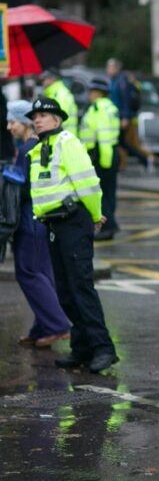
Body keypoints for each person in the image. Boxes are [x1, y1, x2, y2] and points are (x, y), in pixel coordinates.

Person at [26, 97, 118, 373]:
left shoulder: (68, 143)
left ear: (57, 119)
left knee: (81, 286)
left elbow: (88, 183)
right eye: (35, 116)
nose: (37, 120)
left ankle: (103, 348)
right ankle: (82, 349)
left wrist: (94, 215)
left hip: (73, 222)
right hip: (53, 225)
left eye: (43, 115)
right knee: (65, 291)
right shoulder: (40, 148)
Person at [6, 100, 71, 347]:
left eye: (13, 122)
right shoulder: (36, 146)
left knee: (29, 272)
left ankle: (57, 325)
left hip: (30, 222)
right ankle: (42, 327)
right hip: (41, 222)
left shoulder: (27, 150)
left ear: (24, 123)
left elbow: (24, 189)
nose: (9, 127)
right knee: (42, 273)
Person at [80, 78, 121, 241]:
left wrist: (104, 161)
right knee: (109, 193)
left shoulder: (100, 108)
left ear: (98, 93)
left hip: (102, 154)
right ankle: (108, 226)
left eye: (91, 91)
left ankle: (109, 226)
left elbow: (103, 136)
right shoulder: (109, 107)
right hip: (108, 153)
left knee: (101, 193)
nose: (89, 95)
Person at [106, 58, 155, 171]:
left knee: (125, 143)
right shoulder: (113, 80)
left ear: (116, 68)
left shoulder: (122, 81)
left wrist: (125, 117)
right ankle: (143, 160)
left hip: (122, 117)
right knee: (123, 142)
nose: (108, 70)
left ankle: (146, 158)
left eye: (110, 67)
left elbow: (126, 100)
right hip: (116, 117)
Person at [39, 69, 79, 136]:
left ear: (52, 79)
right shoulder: (55, 93)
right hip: (63, 137)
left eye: (44, 79)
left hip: (63, 138)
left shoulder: (59, 94)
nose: (42, 82)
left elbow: (59, 118)